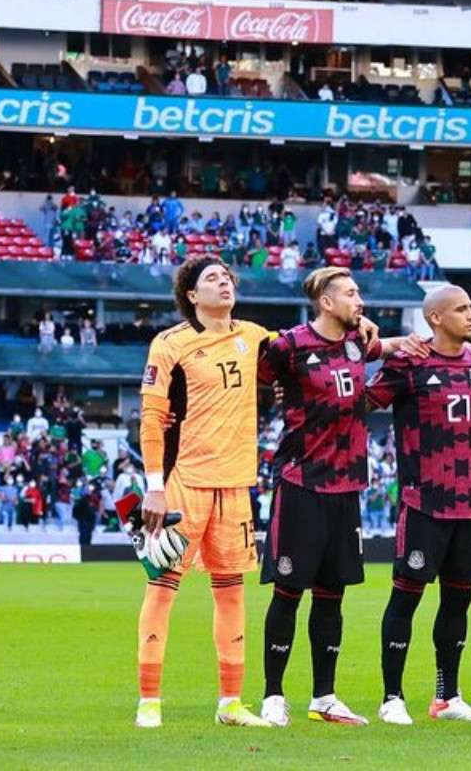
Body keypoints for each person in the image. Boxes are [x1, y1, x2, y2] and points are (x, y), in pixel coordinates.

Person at [258, 266, 410, 728]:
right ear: (326, 302)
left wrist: (419, 340)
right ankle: (272, 696)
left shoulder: (356, 343)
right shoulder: (288, 345)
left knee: (332, 595)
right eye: (350, 293)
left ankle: (324, 696)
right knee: (288, 592)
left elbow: (386, 348)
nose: (359, 300)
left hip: (348, 486)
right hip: (302, 482)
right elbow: (255, 377)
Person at [133, 256, 274, 729]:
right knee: (162, 589)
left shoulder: (255, 337)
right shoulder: (170, 343)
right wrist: (154, 488)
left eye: (228, 277)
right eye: (212, 278)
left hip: (235, 485)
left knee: (232, 593)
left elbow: (314, 350)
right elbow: (152, 417)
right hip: (182, 484)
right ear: (192, 295)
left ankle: (231, 705)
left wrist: (375, 333)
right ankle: (149, 702)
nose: (224, 282)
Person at [369, 283, 471, 725]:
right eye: (461, 309)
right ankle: (392, 697)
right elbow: (361, 402)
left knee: (458, 601)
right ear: (435, 317)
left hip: (468, 505)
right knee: (406, 598)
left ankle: (447, 697)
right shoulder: (408, 363)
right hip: (423, 501)